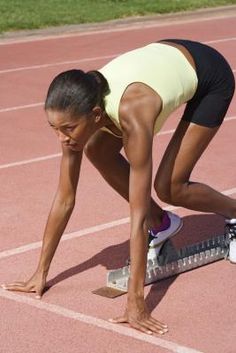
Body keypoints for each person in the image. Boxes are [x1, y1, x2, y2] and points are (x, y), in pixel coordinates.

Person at [2, 39, 236, 335]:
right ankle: (163, 223)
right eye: (55, 129)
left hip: (210, 75)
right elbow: (64, 198)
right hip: (163, 60)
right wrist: (40, 273)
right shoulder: (76, 113)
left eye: (68, 129)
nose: (62, 138)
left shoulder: (134, 115)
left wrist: (136, 301)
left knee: (170, 187)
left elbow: (136, 215)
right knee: (96, 150)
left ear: (96, 116)